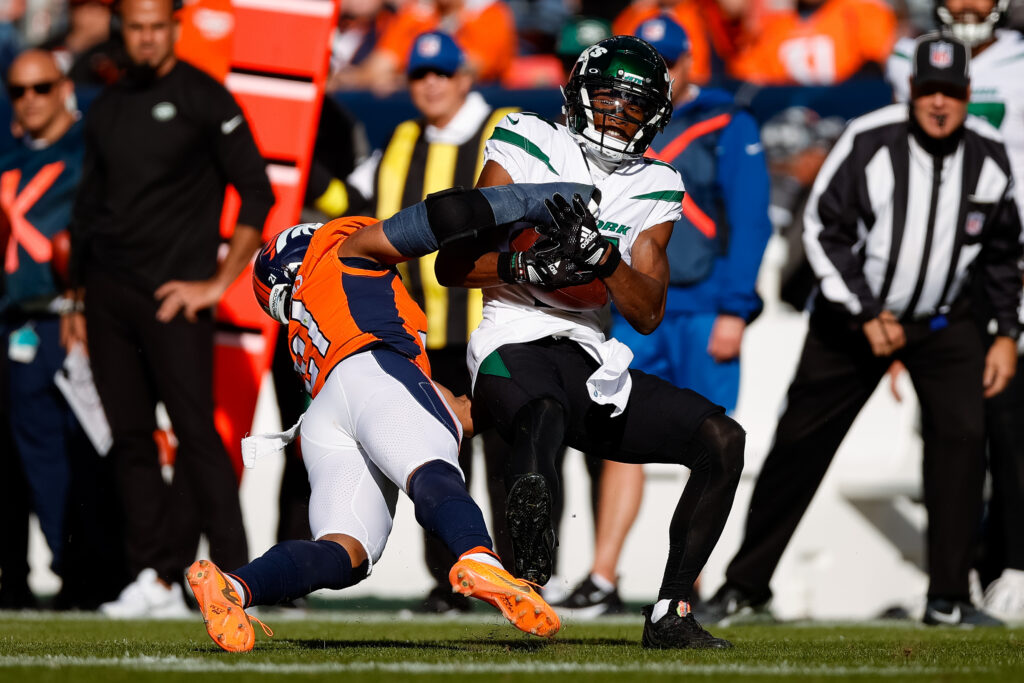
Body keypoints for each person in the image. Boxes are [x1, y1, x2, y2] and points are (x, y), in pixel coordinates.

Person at [186, 181, 592, 652]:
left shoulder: (308, 321)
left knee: (347, 553)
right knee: (431, 466)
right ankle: (479, 557)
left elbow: (449, 413)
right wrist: (537, 200)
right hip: (375, 369)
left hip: (325, 415)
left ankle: (234, 588)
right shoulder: (340, 252)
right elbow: (436, 220)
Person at [435, 35, 745, 649]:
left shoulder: (656, 182)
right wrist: (530, 269)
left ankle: (671, 613)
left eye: (634, 107)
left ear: (654, 115)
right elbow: (454, 265)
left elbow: (648, 309)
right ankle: (527, 565)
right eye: (607, 99)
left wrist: (605, 259)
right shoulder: (528, 138)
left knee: (721, 439)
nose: (617, 116)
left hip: (590, 357)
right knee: (542, 411)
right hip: (512, 336)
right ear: (578, 96)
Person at [705, 33, 1021, 627]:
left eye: (950, 92)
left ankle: (948, 596)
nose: (938, 103)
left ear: (967, 95)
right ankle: (746, 584)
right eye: (928, 90)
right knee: (800, 444)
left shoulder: (990, 154)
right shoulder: (871, 138)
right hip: (851, 321)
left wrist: (1005, 331)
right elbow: (825, 229)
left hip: (944, 322)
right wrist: (867, 310)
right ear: (910, 90)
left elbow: (1003, 252)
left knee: (960, 444)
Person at [63, 0, 275, 617]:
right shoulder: (105, 106)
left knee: (197, 437)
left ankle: (241, 580)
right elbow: (86, 212)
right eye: (137, 26)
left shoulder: (206, 98)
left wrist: (214, 284)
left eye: (159, 26)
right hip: (105, 295)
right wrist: (76, 298)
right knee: (130, 440)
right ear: (121, 31)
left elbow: (256, 193)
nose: (148, 37)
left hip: (175, 301)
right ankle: (154, 577)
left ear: (174, 29)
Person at [555, 16, 772, 617]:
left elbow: (750, 221)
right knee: (617, 434)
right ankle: (603, 574)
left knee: (707, 441)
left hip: (702, 306)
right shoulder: (612, 128)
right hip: (633, 303)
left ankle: (688, 584)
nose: (660, 73)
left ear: (690, 62)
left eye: (670, 60)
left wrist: (735, 308)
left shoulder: (728, 121)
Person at [343, 31, 518, 613]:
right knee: (431, 458)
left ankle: (524, 574)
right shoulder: (400, 140)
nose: (431, 84)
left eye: (442, 73)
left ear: (466, 78)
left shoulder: (508, 127)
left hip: (494, 323)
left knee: (514, 457)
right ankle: (451, 583)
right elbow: (354, 203)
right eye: (420, 74)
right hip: (419, 332)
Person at [886, 0, 1024, 621]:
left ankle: (1010, 566)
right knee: (951, 432)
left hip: (1008, 264)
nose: (970, 5)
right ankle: (958, 577)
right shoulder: (903, 60)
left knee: (1010, 430)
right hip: (941, 275)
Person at [329, 0, 517, 95]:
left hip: (482, 108)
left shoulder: (489, 14)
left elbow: (468, 71)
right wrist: (342, 79)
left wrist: (405, 80)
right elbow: (376, 69)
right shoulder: (416, 15)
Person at [728, 0, 897, 85]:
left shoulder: (859, 12)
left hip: (846, 108)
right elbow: (747, 76)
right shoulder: (774, 26)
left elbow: (873, 67)